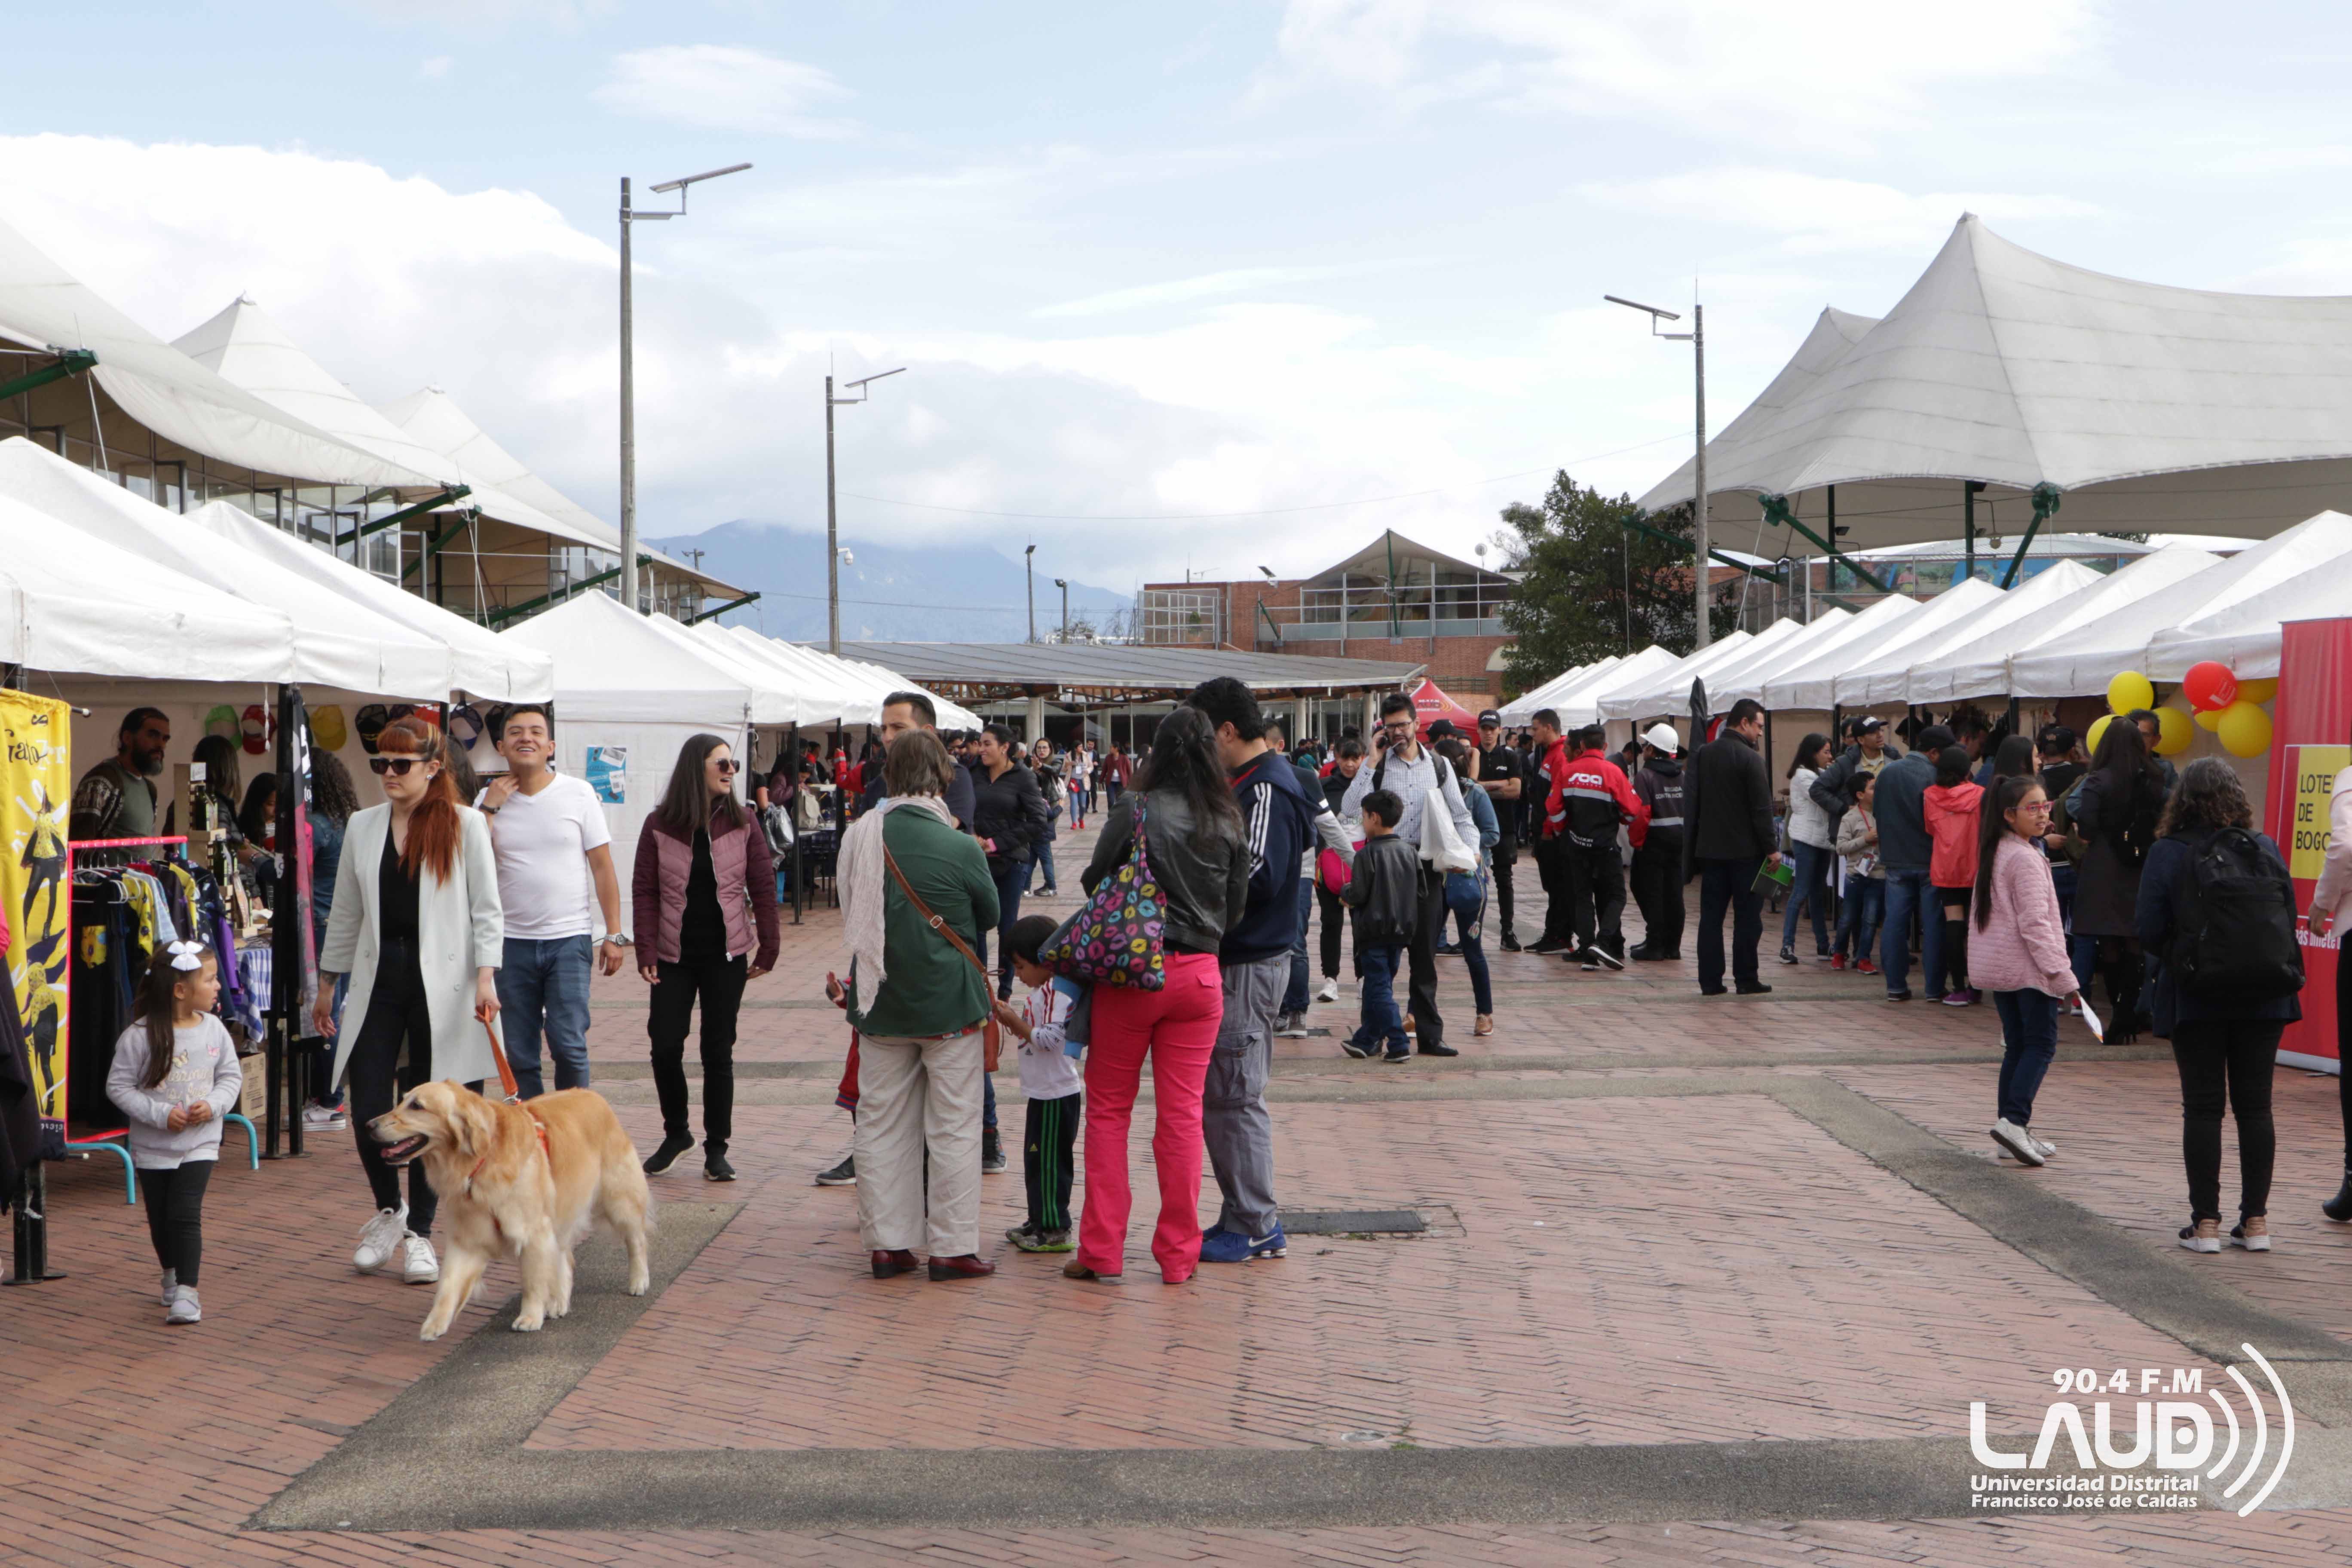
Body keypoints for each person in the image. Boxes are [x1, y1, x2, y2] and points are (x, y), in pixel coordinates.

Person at [314, 716, 504, 1290]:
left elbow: (486, 909)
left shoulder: (465, 825)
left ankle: (421, 1231)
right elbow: (346, 910)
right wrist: (328, 982)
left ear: (433, 767)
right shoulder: (363, 825)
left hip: (444, 984)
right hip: (381, 978)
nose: (389, 775)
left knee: (434, 1112)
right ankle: (388, 1213)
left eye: (401, 764)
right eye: (380, 764)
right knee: (370, 1099)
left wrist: (487, 977)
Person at [1068, 707, 1247, 1284]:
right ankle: (1178, 1256)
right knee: (1181, 1118)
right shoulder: (1226, 816)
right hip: (1200, 976)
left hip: (1133, 972)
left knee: (1109, 1112)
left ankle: (1101, 1251)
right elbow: (1235, 907)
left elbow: (1096, 879)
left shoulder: (1136, 807)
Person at [837, 731, 998, 1281]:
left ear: (889, 776)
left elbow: (852, 910)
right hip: (949, 1003)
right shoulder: (959, 845)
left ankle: (889, 1245)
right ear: (944, 777)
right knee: (953, 1125)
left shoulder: (860, 835)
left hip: (880, 1000)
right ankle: (953, 1248)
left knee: (881, 1124)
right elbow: (991, 912)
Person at [2138, 758, 2303, 1253]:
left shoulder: (2169, 851)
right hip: (2266, 993)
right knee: (2257, 1107)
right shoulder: (2264, 848)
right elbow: (2287, 915)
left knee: (2204, 1107)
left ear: (2181, 800)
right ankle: (2256, 1223)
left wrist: (2185, 957)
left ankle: (2205, 1224)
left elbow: (2147, 928)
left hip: (2197, 994)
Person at [1190, 677, 1320, 1265]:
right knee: (1227, 1093)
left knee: (1236, 1096)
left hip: (1248, 960)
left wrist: (1195, 897)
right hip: (1243, 957)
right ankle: (1241, 1211)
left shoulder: (1266, 787)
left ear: (1226, 730)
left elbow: (1261, 873)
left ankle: (1257, 1223)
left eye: (1203, 734)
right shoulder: (1251, 782)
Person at [634, 734, 779, 1183]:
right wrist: (645, 948)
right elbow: (646, 891)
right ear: (697, 767)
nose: (731, 770)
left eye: (733, 764)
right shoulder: (659, 823)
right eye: (722, 763)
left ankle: (718, 1148)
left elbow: (762, 884)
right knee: (665, 1045)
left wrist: (769, 944)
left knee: (718, 1050)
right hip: (673, 955)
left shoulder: (744, 821)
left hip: (726, 954)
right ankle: (677, 1133)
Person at [477, 703, 626, 1100]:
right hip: (509, 943)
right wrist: (490, 808)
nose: (526, 738)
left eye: (536, 732)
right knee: (521, 1052)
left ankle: (575, 1132)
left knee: (569, 1044)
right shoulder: (485, 800)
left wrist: (615, 933)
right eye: (516, 732)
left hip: (569, 939)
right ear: (501, 746)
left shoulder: (578, 794)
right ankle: (532, 1136)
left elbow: (603, 867)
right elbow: (471, 864)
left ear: (550, 746)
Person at [107, 941, 239, 1325]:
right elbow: (119, 1088)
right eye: (211, 979)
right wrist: (161, 1114)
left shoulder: (214, 1029)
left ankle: (188, 1291)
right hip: (153, 1145)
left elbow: (230, 1077)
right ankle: (170, 1273)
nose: (219, 987)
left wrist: (213, 1105)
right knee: (160, 1217)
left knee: (185, 1213)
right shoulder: (139, 1035)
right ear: (180, 990)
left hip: (201, 1143)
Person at [1341, 693, 1477, 1055]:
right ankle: (1372, 1038)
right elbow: (1351, 809)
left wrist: (1472, 853)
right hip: (1384, 867)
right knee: (1378, 955)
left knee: (1423, 955)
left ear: (1418, 724)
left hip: (1426, 866)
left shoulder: (1439, 765)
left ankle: (1429, 1035)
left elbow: (1461, 815)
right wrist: (1371, 760)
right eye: (1391, 726)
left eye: (1403, 724)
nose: (1398, 731)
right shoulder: (1380, 765)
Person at [1970, 775, 2080, 1166]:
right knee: (2040, 1045)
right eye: (2032, 808)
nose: (2042, 814)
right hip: (2030, 970)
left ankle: (2010, 1130)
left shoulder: (2000, 850)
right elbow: (2037, 925)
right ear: (2008, 815)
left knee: (2018, 1046)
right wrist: (2062, 975)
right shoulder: (2024, 858)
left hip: (2006, 968)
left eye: (2045, 806)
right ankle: (2014, 1123)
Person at [2068, 717, 2169, 1043]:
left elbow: (2085, 826)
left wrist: (2085, 834)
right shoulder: (2155, 778)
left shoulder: (2099, 780)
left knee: (2108, 944)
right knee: (2135, 943)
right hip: (2142, 866)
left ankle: (2118, 1013)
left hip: (2104, 867)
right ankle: (2129, 1014)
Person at [1261, 720, 1354, 1038]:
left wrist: (1358, 866)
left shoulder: (1303, 779)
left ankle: (1296, 1011)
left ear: (1280, 746)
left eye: (1266, 748)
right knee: (1264, 944)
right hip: (1259, 872)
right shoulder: (1248, 777)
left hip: (1298, 873)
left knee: (1296, 941)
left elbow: (1331, 829)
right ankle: (1273, 1009)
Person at [1001, 914, 1083, 1255]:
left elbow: (1050, 1038)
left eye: (1021, 967)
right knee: (1036, 1160)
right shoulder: (1043, 990)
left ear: (1044, 960)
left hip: (1056, 1093)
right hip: (1042, 1092)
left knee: (1050, 1163)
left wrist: (1015, 1023)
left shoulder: (1058, 991)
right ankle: (1039, 1219)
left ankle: (1054, 1228)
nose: (1018, 976)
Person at [1689, 700, 1782, 997]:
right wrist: (1773, 849)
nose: (1760, 733)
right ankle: (1746, 978)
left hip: (1712, 851)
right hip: (1747, 854)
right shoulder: (1751, 759)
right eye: (1759, 726)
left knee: (1711, 918)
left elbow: (1695, 801)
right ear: (1744, 723)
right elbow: (1761, 809)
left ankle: (1710, 981)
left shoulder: (1703, 754)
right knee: (1748, 919)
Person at [1549, 724, 1648, 971]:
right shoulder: (1614, 773)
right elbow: (1633, 810)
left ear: (1581, 746)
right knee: (1616, 896)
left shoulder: (1568, 771)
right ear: (1604, 746)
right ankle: (1602, 942)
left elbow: (1554, 809)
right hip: (1605, 849)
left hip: (1576, 847)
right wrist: (1622, 820)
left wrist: (1564, 830)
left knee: (1583, 898)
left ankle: (1588, 950)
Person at [302, 751, 361, 1133]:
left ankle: (330, 1102)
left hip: (322, 923)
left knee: (326, 1013)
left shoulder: (317, 826)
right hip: (342, 922)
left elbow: (294, 872)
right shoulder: (349, 821)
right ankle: (328, 1097)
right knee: (334, 1011)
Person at [968, 724, 1048, 1001]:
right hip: (977, 862)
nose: (981, 750)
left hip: (1011, 863)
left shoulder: (1023, 777)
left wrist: (995, 843)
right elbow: (963, 809)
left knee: (1006, 928)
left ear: (1005, 747)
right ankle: (980, 984)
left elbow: (1039, 822)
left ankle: (1004, 989)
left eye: (987, 744)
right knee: (976, 924)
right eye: (980, 744)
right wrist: (972, 836)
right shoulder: (974, 772)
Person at [1874, 724, 1951, 1003]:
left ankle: (1895, 986)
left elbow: (1878, 811)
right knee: (1934, 924)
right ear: (1933, 753)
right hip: (1929, 859)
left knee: (1894, 922)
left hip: (1895, 858)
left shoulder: (1887, 773)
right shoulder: (1936, 777)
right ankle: (1934, 988)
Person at [1341, 790, 1419, 1062]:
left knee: (1379, 988)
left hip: (1373, 930)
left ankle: (1398, 1043)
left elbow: (1359, 894)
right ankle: (1365, 1039)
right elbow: (1420, 892)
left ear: (1374, 818)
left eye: (1364, 817)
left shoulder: (1367, 854)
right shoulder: (1409, 852)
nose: (1363, 822)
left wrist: (1345, 890)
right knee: (1382, 984)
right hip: (1401, 930)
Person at [1438, 738, 1498, 1034]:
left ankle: (1484, 1013)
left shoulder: (1475, 793)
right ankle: (1416, 1011)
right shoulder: (1431, 795)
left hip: (1466, 878)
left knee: (1472, 949)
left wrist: (1463, 850)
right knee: (1424, 949)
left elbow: (1493, 834)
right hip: (1435, 876)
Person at [1925, 747, 1986, 1006]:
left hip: (1945, 867)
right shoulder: (1980, 795)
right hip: (1975, 866)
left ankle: (1958, 988)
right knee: (1976, 929)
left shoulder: (1930, 796)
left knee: (1953, 926)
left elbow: (1930, 828)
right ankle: (1977, 985)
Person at [1314, 738, 1367, 1001]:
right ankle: (1330, 980)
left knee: (1361, 924)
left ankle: (1362, 977)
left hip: (1362, 864)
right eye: (1345, 758)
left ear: (1364, 758)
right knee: (1331, 923)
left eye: (1355, 758)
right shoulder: (1323, 787)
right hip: (1330, 863)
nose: (1350, 764)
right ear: (1335, 756)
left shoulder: (1371, 785)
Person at [1629, 724, 1687, 962]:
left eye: (1645, 746)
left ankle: (1655, 944)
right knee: (1674, 894)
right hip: (1679, 844)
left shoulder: (1646, 776)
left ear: (1652, 750)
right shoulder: (1683, 775)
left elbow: (1641, 814)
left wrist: (1637, 842)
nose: (1643, 749)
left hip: (1653, 844)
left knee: (1648, 891)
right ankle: (1672, 946)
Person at [70, 707, 170, 842]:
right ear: (127, 738)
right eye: (153, 736)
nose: (161, 745)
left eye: (165, 739)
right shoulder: (102, 780)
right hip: (109, 864)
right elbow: (79, 843)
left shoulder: (150, 788)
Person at [1779, 733, 1836, 966]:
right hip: (1805, 840)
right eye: (1826, 752)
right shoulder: (1804, 776)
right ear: (1813, 753)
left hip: (1822, 840)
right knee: (1800, 892)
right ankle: (1787, 945)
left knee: (1817, 894)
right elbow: (1824, 797)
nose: (1830, 756)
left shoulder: (1819, 774)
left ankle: (1823, 946)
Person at [1473, 711, 1525, 952]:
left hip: (1505, 827)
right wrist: (1501, 784)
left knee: (1505, 879)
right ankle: (1472, 932)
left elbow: (1516, 791)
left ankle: (1507, 931)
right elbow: (1469, 787)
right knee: (1472, 881)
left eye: (1493, 728)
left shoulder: (1510, 756)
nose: (1488, 732)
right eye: (1484, 728)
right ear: (1479, 730)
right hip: (1476, 829)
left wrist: (1483, 789)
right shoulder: (1472, 755)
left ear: (1500, 730)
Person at [1524, 710, 1574, 953]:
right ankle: (1554, 934)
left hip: (1552, 835)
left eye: (1535, 729)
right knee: (1553, 888)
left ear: (1549, 727)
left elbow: (1556, 797)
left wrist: (1547, 830)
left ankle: (1559, 936)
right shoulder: (1549, 755)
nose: (1533, 734)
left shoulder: (1559, 757)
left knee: (1557, 888)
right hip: (1547, 833)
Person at [1807, 716, 1899, 842]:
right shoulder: (1846, 763)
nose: (1880, 735)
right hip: (1859, 832)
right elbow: (1817, 790)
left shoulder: (1894, 758)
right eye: (1873, 733)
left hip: (1891, 828)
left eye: (1881, 730)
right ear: (1861, 740)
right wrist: (1844, 808)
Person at [1832, 774, 1885, 975]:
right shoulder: (1850, 818)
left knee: (1871, 920)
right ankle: (1839, 953)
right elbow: (1841, 848)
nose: (1877, 791)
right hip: (1856, 875)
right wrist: (1865, 839)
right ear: (1860, 795)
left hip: (1879, 875)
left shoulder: (1885, 814)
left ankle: (1864, 957)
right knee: (1848, 918)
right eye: (1873, 788)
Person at [1025, 738, 1064, 899]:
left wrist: (1041, 767)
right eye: (1039, 748)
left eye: (1045, 748)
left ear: (1050, 749)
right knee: (1038, 850)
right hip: (1037, 807)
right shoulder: (1032, 765)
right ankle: (1044, 885)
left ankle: (1047, 885)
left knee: (1041, 846)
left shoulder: (1055, 761)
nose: (1042, 751)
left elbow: (1054, 771)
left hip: (1049, 805)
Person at [1101, 743, 1131, 808]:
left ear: (1116, 749)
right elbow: (1104, 770)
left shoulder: (1124, 758)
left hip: (1121, 783)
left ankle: (1118, 816)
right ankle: (1111, 815)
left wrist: (1131, 782)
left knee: (1120, 801)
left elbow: (1129, 771)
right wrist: (1101, 780)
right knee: (1111, 801)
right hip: (1111, 783)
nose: (1110, 749)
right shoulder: (1108, 758)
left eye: (1111, 747)